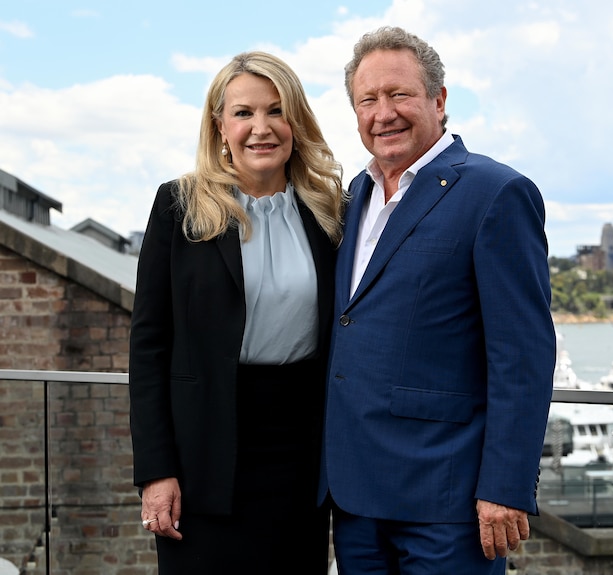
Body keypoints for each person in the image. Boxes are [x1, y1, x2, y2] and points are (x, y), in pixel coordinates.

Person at [318, 26, 555, 574]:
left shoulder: (495, 192)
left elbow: (522, 355)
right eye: (368, 100)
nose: (384, 114)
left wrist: (506, 485)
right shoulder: (354, 197)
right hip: (356, 499)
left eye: (400, 94)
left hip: (448, 503)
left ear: (439, 100)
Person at [129, 51, 343, 574]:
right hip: (203, 457)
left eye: (276, 111)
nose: (261, 128)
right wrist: (156, 473)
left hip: (301, 455)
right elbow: (148, 346)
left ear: (297, 121)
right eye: (244, 113)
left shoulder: (330, 209)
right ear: (219, 125)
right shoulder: (178, 206)